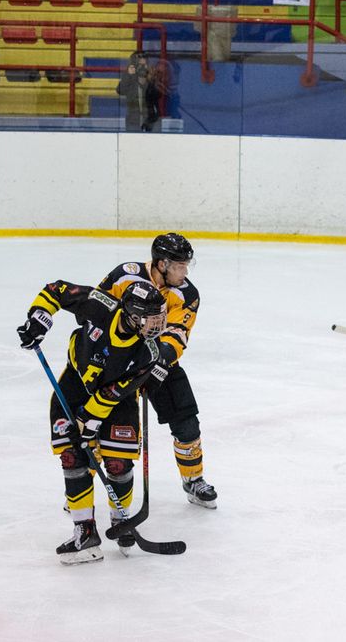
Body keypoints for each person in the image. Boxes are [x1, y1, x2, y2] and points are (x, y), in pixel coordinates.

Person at [17, 279, 169, 564]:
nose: (157, 325)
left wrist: (88, 421)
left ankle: (121, 519)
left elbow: (112, 394)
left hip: (117, 401)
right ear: (132, 315)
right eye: (152, 319)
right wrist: (39, 319)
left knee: (118, 463)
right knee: (72, 457)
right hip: (74, 387)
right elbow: (56, 290)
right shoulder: (100, 305)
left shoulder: (149, 352)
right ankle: (84, 532)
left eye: (160, 318)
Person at [97, 233, 217, 509]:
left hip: (157, 362)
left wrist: (160, 361)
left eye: (186, 265)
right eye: (180, 266)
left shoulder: (186, 294)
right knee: (99, 424)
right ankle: (82, 484)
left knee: (186, 421)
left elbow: (177, 333)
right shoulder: (125, 275)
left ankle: (193, 480)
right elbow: (96, 309)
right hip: (116, 361)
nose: (185, 272)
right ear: (162, 264)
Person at [117, 52, 161, 132]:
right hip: (133, 122)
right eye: (140, 65)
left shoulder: (152, 81)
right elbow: (120, 90)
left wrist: (152, 79)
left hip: (151, 122)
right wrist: (128, 75)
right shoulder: (130, 81)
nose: (143, 68)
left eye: (145, 65)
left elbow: (158, 94)